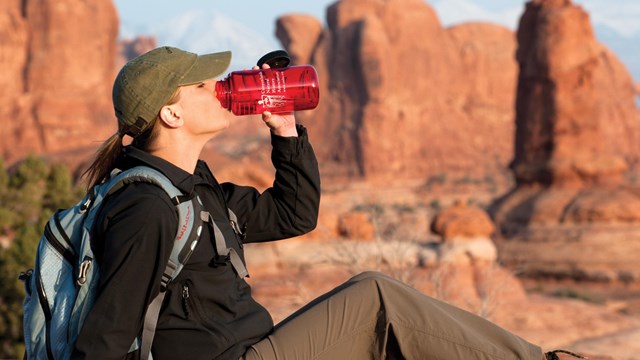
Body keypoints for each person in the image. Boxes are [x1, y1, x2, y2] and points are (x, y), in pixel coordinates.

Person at [72, 46, 579, 360]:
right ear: (172, 114)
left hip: (254, 347)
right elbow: (106, 337)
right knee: (375, 296)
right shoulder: (146, 208)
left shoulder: (194, 191)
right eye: (204, 86)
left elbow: (295, 214)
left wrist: (286, 132)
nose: (222, 90)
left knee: (373, 309)